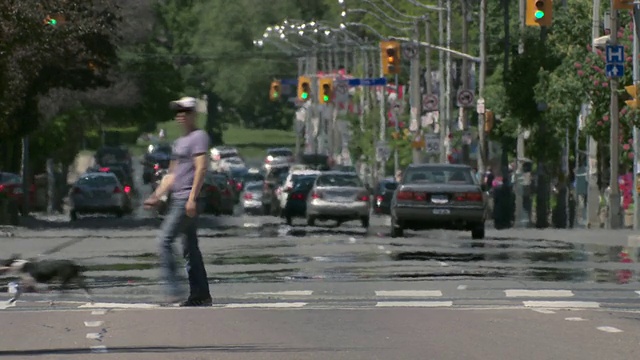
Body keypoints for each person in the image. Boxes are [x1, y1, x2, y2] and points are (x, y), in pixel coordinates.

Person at [143, 96, 212, 307]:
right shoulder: (180, 142)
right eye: (178, 112)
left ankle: (174, 289)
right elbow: (172, 174)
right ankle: (200, 294)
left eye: (185, 112)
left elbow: (201, 167)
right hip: (179, 197)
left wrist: (192, 198)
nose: (181, 116)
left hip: (187, 199)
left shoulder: (199, 137)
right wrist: (157, 195)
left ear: (193, 114)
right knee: (190, 248)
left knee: (164, 240)